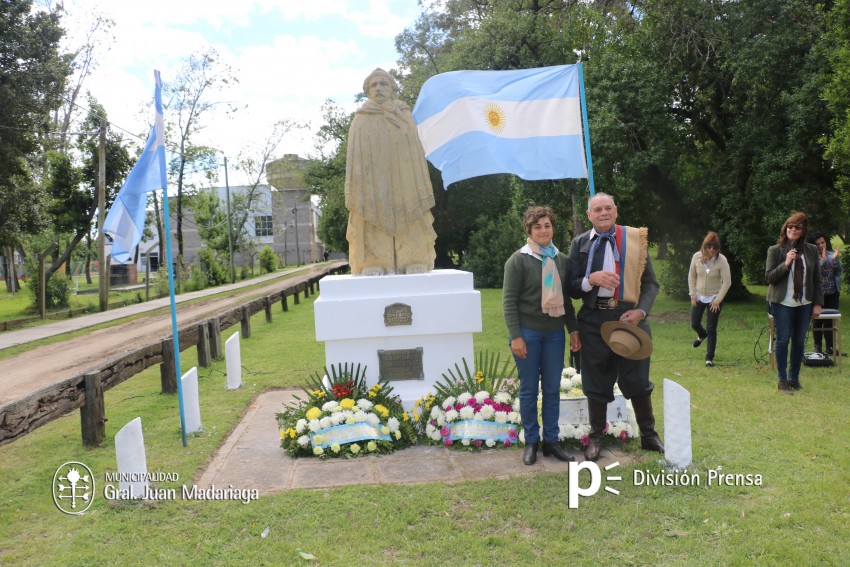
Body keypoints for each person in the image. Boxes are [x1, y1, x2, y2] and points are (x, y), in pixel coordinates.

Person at [567, 192, 663, 461]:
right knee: (595, 379)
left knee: (637, 378)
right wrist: (590, 280)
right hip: (594, 320)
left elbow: (651, 283)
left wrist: (641, 311)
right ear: (589, 215)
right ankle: (596, 437)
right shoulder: (579, 244)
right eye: (597, 209)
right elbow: (572, 287)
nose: (604, 213)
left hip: (629, 318)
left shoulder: (634, 240)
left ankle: (649, 435)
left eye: (608, 207)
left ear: (616, 211)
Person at [503, 205, 581, 465]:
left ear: (553, 228)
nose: (543, 230)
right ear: (529, 230)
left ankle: (551, 442)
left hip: (554, 335)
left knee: (552, 390)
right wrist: (516, 336)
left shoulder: (561, 260)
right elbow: (509, 302)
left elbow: (567, 300)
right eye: (537, 226)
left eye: (547, 225)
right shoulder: (518, 261)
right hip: (527, 334)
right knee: (528, 390)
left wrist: (574, 330)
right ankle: (532, 442)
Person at [344, 68, 437, 276]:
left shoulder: (404, 113)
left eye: (383, 84)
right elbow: (355, 156)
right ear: (367, 91)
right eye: (373, 85)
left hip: (404, 179)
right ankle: (373, 261)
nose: (378, 88)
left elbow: (415, 148)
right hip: (372, 180)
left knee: (411, 211)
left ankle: (414, 258)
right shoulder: (361, 117)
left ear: (392, 88)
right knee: (370, 214)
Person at [765, 212, 823, 392]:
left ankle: (794, 379)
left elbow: (816, 278)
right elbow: (770, 278)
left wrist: (818, 303)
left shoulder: (812, 250)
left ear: (803, 230)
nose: (792, 229)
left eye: (797, 227)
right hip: (782, 303)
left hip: (804, 304)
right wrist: (787, 262)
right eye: (790, 226)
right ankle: (782, 380)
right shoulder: (775, 250)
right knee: (782, 340)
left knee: (798, 342)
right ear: (785, 229)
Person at [688, 231, 732, 367]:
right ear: (704, 246)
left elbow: (727, 282)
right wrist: (692, 294)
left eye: (714, 247)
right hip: (699, 296)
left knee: (711, 328)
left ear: (718, 248)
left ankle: (709, 358)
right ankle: (701, 335)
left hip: (714, 297)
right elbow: (692, 275)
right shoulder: (697, 257)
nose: (711, 250)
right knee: (694, 323)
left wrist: (717, 300)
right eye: (709, 247)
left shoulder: (722, 260)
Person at [809, 231, 842, 356]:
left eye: (823, 242)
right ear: (813, 245)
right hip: (818, 295)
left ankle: (830, 348)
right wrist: (822, 261)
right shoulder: (811, 257)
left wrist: (834, 260)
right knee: (817, 321)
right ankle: (817, 348)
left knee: (830, 321)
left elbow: (839, 272)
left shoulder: (831, 254)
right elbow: (811, 273)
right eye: (818, 244)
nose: (821, 245)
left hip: (833, 293)